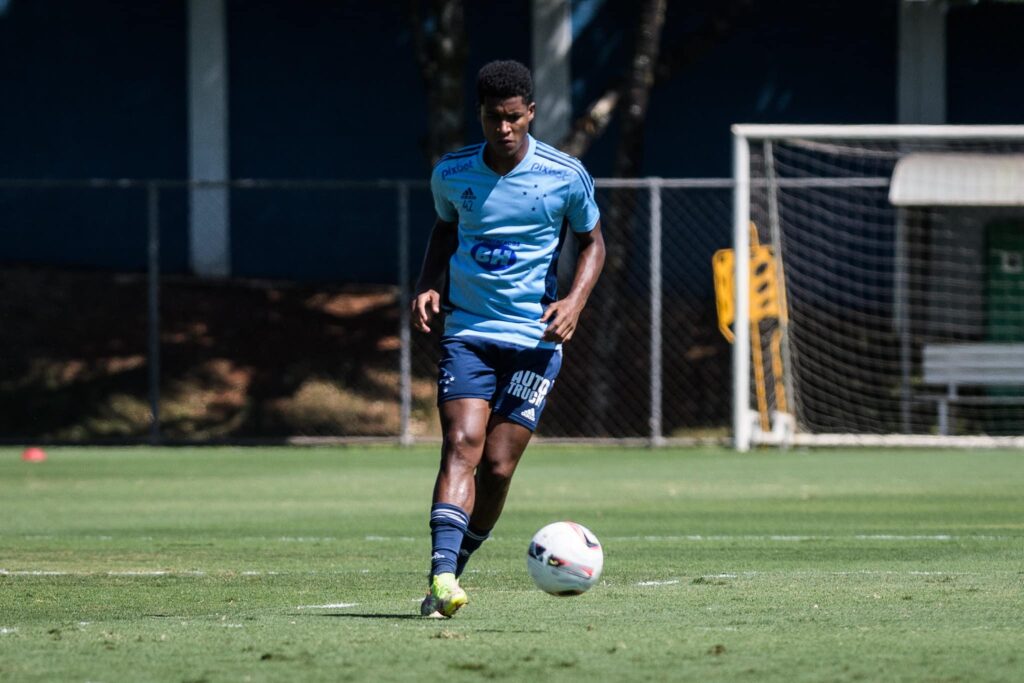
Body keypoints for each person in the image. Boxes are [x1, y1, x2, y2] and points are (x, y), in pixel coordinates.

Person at [412, 59, 605, 618]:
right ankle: (442, 574)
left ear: (531, 113)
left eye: (514, 118)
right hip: (467, 332)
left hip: (535, 342)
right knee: (461, 445)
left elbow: (595, 243)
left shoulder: (565, 174)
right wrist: (428, 284)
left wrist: (573, 302)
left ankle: (456, 566)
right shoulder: (452, 173)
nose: (503, 129)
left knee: (497, 467)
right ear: (480, 114)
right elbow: (445, 228)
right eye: (494, 118)